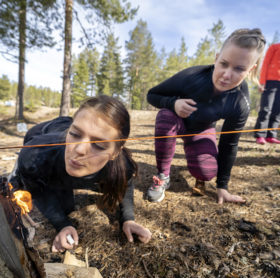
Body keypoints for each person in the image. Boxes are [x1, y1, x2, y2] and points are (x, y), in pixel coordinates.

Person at [8, 95, 151, 252]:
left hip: (63, 131)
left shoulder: (122, 165)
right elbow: (40, 193)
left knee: (66, 201)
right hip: (43, 134)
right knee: (25, 185)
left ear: (115, 153)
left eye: (99, 145)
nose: (79, 149)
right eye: (75, 134)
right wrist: (62, 224)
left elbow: (125, 184)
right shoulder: (34, 154)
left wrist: (128, 219)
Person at [146, 28, 266, 204]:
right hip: (176, 121)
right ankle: (163, 175)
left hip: (201, 130)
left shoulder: (240, 102)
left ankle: (195, 155)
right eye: (224, 63)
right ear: (216, 58)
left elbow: (229, 143)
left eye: (239, 68)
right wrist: (173, 104)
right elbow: (152, 95)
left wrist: (222, 186)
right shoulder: (192, 76)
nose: (227, 75)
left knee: (207, 172)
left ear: (250, 69)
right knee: (165, 116)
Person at [254, 43, 280, 144]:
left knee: (277, 111)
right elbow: (265, 63)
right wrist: (262, 82)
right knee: (266, 108)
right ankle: (260, 135)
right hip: (270, 81)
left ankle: (271, 135)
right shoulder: (274, 47)